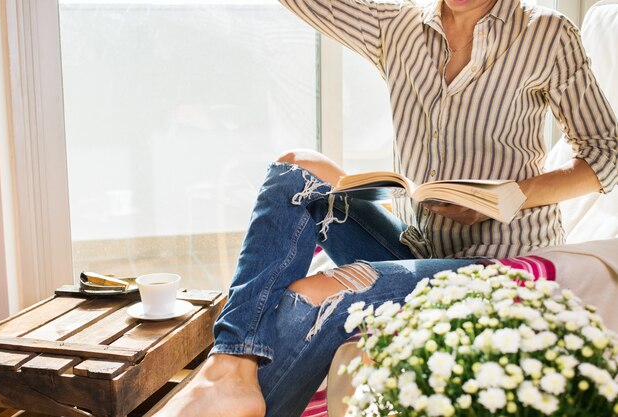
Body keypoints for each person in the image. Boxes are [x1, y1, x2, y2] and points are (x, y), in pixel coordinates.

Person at [154, 0, 617, 416]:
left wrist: (511, 195)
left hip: (493, 264)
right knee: (297, 173)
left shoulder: (548, 34)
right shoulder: (396, 26)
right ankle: (230, 367)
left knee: (325, 292)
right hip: (413, 245)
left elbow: (605, 153)